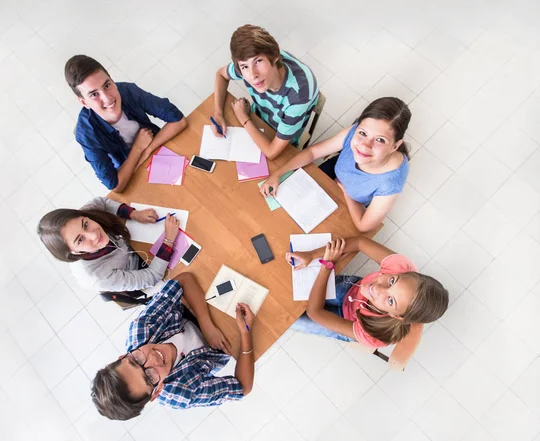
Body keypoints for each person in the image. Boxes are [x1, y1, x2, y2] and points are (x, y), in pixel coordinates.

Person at [91, 272, 255, 420]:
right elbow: (242, 387)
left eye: (135, 360)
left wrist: (206, 324)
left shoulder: (140, 329)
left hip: (201, 310)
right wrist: (246, 333)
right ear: (156, 392)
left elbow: (183, 280)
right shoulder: (183, 394)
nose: (153, 358)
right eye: (149, 377)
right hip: (228, 340)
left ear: (124, 356)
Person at [261, 97, 411, 233]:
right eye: (363, 133)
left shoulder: (390, 182)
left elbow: (363, 225)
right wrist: (278, 173)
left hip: (351, 202)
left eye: (380, 140)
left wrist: (346, 192)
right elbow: (313, 153)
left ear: (395, 146)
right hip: (335, 172)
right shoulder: (353, 133)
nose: (365, 146)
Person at [287, 237, 449, 347]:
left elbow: (315, 312)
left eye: (390, 301)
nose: (377, 289)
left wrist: (327, 264)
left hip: (346, 321)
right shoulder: (402, 266)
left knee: (289, 320)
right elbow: (359, 242)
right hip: (350, 289)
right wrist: (313, 254)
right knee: (290, 286)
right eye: (392, 281)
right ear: (402, 272)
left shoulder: (374, 335)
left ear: (396, 316)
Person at [65, 55, 188, 192]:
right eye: (94, 94)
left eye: (107, 85)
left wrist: (146, 150)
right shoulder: (86, 134)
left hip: (157, 150)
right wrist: (138, 148)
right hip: (130, 171)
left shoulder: (128, 91)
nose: (107, 98)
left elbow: (178, 119)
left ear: (112, 80)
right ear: (83, 102)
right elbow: (115, 186)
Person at [211, 24, 319, 159]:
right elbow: (221, 74)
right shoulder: (249, 71)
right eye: (244, 66)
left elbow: (272, 152)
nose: (252, 75)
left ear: (275, 57)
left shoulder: (299, 95)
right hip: (258, 118)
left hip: (281, 140)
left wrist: (244, 118)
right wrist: (218, 112)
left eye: (258, 61)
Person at [37, 197, 179, 294]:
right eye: (80, 240)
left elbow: (100, 202)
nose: (93, 235)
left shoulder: (79, 219)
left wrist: (134, 214)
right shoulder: (99, 277)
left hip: (132, 246)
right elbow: (151, 277)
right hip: (136, 270)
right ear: (74, 253)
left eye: (85, 224)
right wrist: (168, 241)